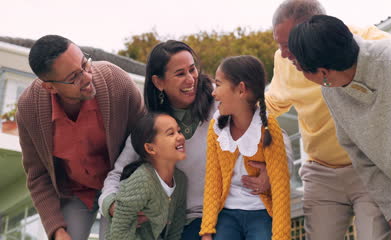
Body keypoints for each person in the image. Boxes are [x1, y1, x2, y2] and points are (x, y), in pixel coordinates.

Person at [261, 0, 391, 240]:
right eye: (278, 44)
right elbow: (270, 104)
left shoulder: (377, 50)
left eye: (288, 44)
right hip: (329, 169)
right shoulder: (318, 82)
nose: (283, 54)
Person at [99, 41, 274, 240]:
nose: (191, 79)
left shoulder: (222, 106)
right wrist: (111, 205)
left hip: (228, 212)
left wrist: (270, 173)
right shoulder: (151, 125)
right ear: (159, 82)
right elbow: (117, 174)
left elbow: (269, 133)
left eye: (192, 70)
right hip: (182, 222)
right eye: (180, 74)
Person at [17, 35, 145, 240]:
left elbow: (145, 143)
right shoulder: (29, 109)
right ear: (49, 87)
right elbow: (37, 175)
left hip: (122, 185)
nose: (87, 77)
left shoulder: (117, 82)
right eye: (74, 77)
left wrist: (134, 197)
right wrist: (57, 229)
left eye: (85, 64)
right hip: (76, 193)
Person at [199, 55, 290, 240]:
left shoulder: (267, 128)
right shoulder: (216, 127)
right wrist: (207, 231)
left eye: (219, 84)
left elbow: (281, 188)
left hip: (260, 212)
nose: (214, 93)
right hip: (227, 213)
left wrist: (281, 236)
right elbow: (213, 180)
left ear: (241, 89)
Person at [108, 112, 187, 240]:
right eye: (171, 133)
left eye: (179, 131)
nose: (180, 137)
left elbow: (176, 228)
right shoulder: (142, 180)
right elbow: (119, 233)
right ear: (150, 148)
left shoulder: (180, 180)